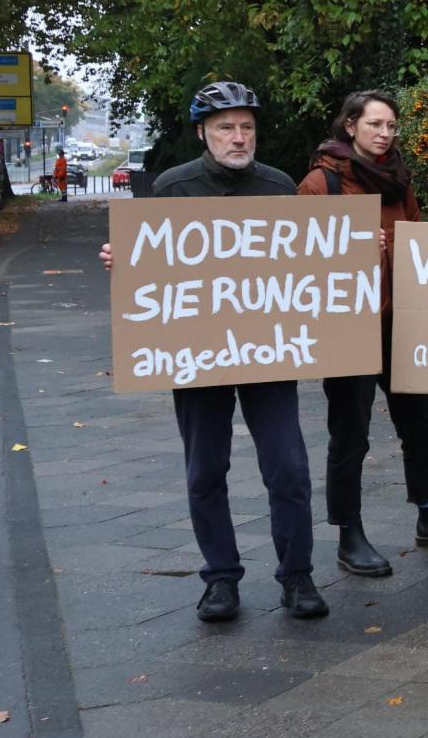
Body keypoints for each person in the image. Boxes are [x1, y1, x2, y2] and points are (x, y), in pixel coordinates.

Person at [98, 82, 326, 622]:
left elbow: (307, 263)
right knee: (205, 469)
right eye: (226, 127)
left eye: (246, 126)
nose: (238, 136)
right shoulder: (175, 186)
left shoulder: (278, 186)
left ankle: (297, 575)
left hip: (268, 349)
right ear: (203, 132)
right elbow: (153, 260)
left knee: (288, 468)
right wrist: (122, 259)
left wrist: (355, 252)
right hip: (197, 353)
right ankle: (220, 579)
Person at [298, 89, 428, 577]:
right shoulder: (321, 184)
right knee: (351, 432)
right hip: (349, 328)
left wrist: (401, 246)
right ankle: (349, 532)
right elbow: (303, 262)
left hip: (398, 321)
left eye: (390, 126)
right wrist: (359, 246)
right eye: (374, 125)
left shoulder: (398, 181)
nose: (384, 134)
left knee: (420, 423)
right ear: (350, 127)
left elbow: (419, 244)